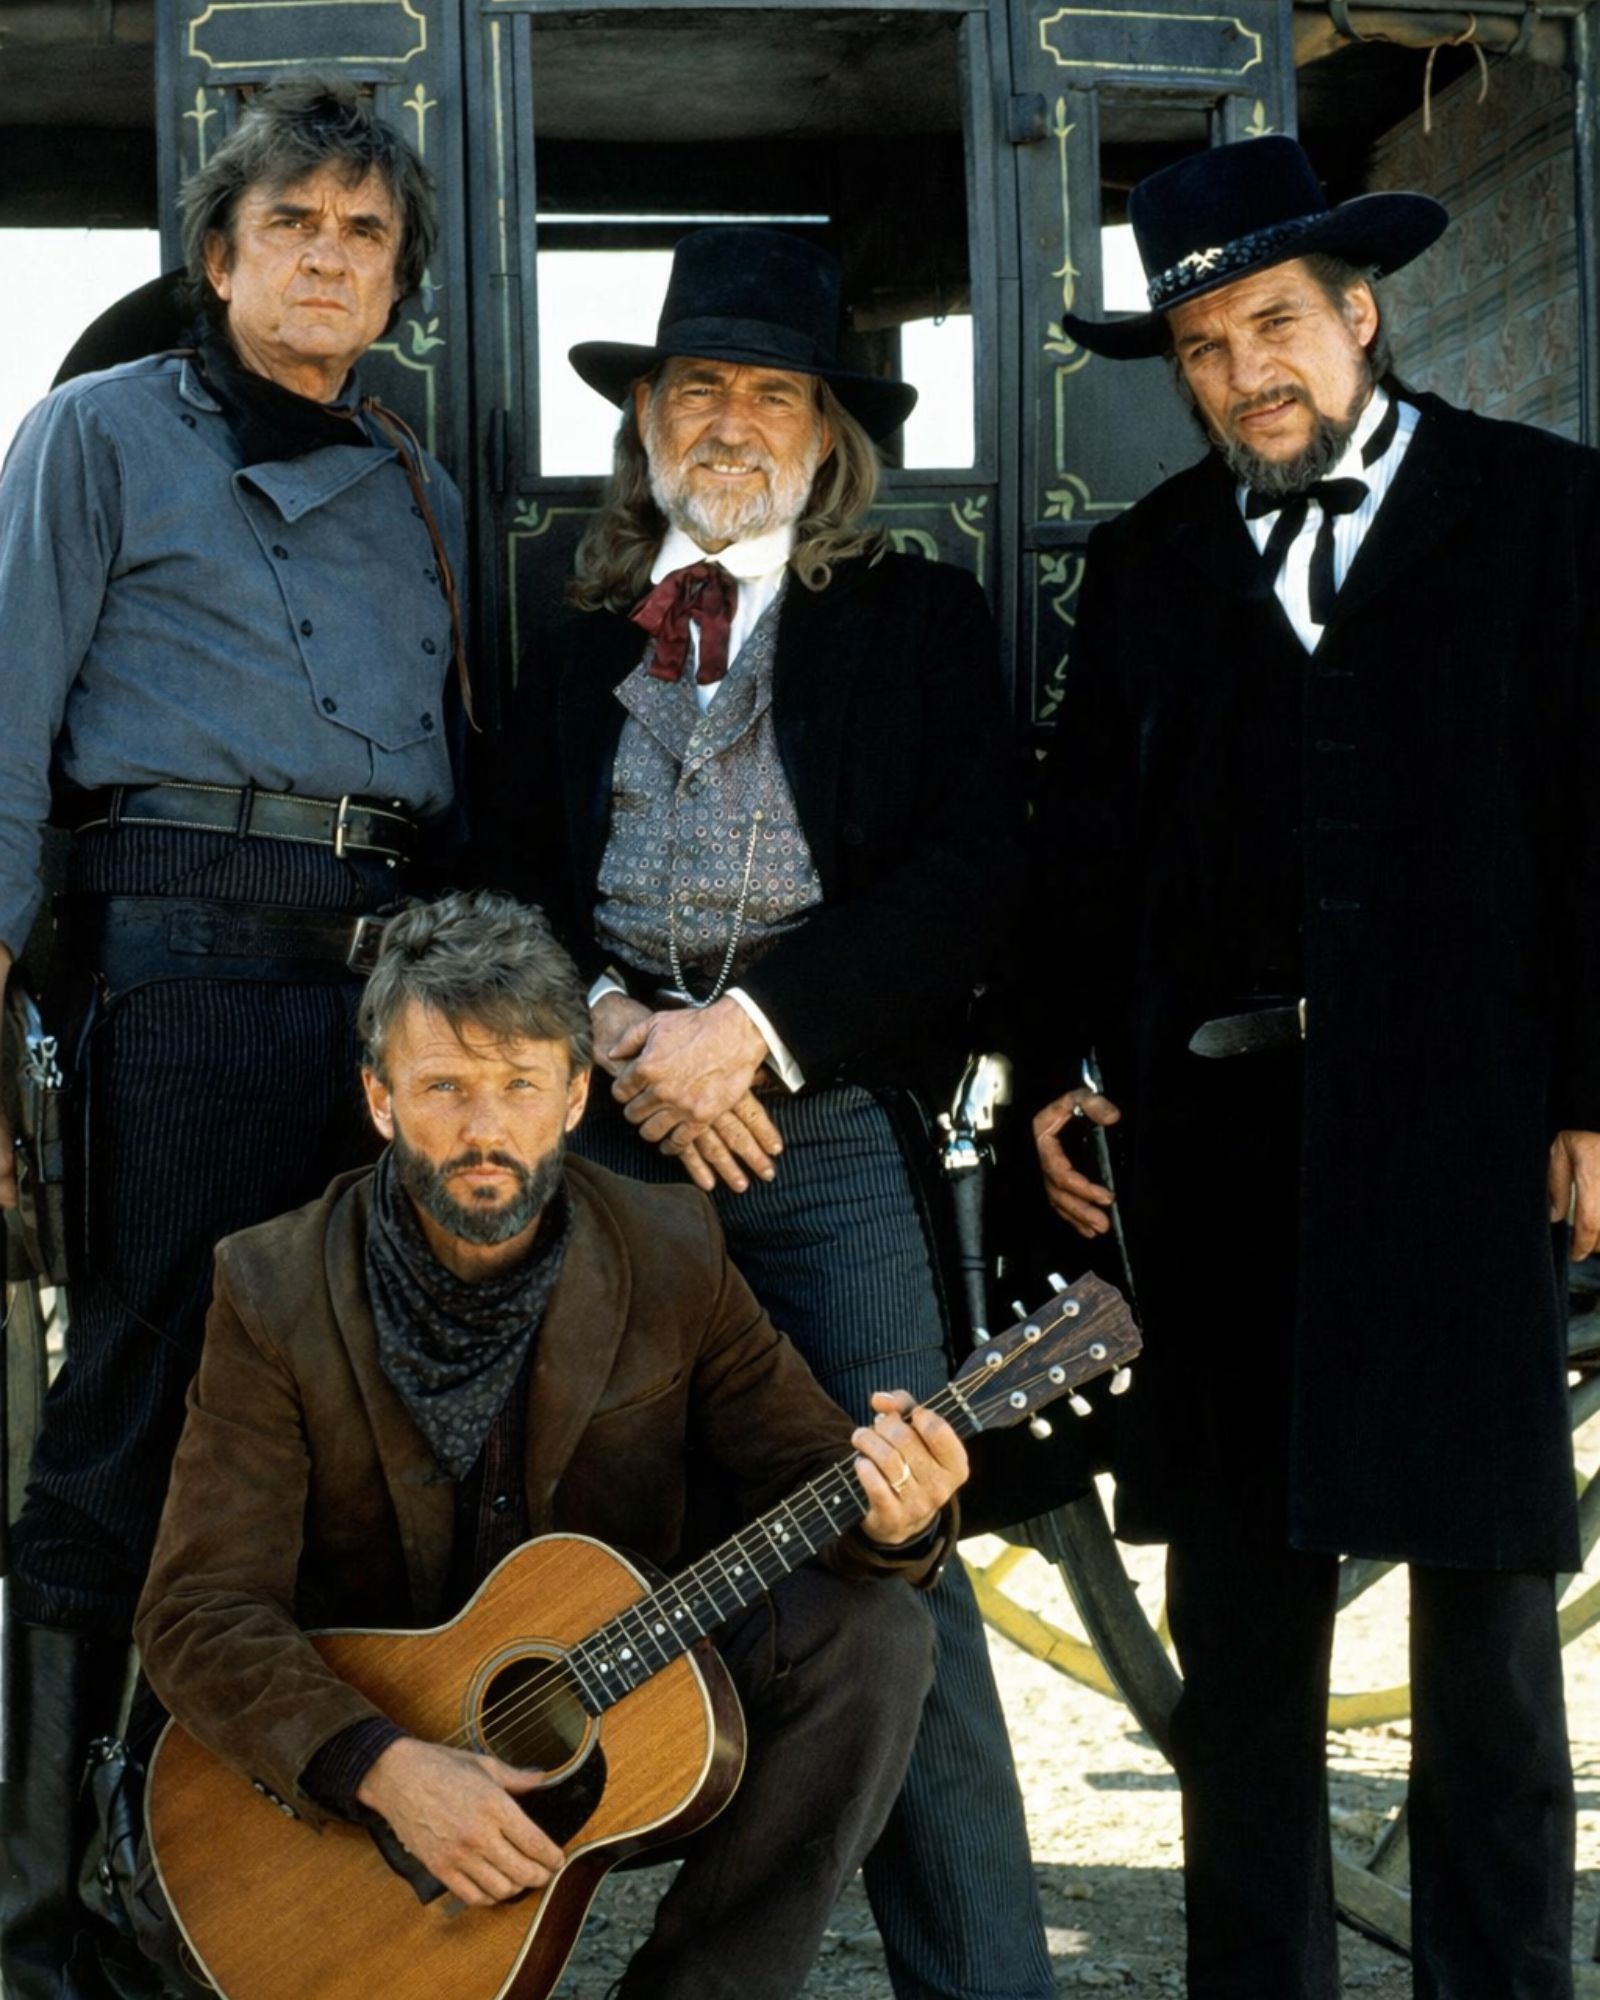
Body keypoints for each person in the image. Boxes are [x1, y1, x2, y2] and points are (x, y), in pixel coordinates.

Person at [1030, 134, 1596, 1997]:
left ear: (1360, 314)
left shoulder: (1546, 511)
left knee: (1491, 1644)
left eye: (1274, 324)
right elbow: (1083, 860)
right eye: (1203, 347)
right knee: (1243, 1649)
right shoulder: (1147, 566)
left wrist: (1595, 1093)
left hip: (1467, 1143)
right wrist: (1058, 1068)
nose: (1243, 373)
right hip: (1215, 1159)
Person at [475, 226, 1051, 1999]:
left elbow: (976, 879)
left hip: (825, 1133)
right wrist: (613, 1031)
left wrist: (754, 1034)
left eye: (774, 393)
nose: (730, 420)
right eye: (699, 387)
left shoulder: (916, 622)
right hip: (599, 1136)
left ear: (828, 436)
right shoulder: (572, 640)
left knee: (903, 1538)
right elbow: (497, 875)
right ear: (647, 420)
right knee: (526, 1550)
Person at [133, 889, 961, 2000]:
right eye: (444, 1087)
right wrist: (383, 1767)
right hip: (364, 1783)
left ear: (575, 1097)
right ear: (380, 1098)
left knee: (876, 1635)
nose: (485, 1130)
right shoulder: (273, 1285)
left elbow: (812, 1470)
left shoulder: (670, 1249)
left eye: (521, 1085)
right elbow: (197, 1609)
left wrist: (901, 1517)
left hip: (606, 1716)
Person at [0, 75, 466, 1998]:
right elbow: (3, 728)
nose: (327, 263)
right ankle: (39, 1928)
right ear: (219, 253)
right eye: (293, 225)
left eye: (365, 235)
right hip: (179, 970)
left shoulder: (422, 487)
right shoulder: (96, 433)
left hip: (381, 996)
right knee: (137, 1418)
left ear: (397, 280)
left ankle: (244, 1908)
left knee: (338, 1446)